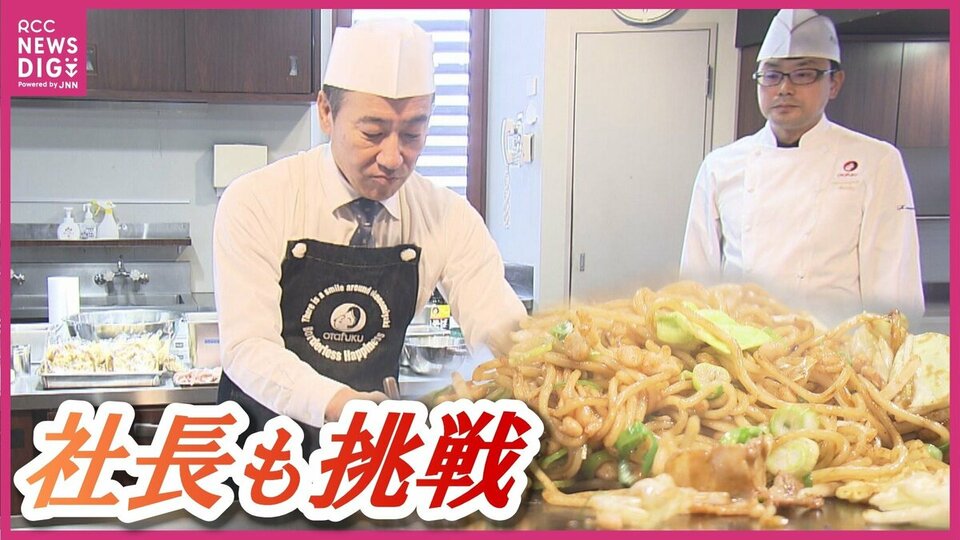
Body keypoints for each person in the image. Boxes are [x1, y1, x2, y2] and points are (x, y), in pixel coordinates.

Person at [212, 19, 527, 448]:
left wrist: (539, 367)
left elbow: (500, 326)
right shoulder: (258, 200)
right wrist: (340, 404)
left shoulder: (447, 217)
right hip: (263, 452)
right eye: (372, 133)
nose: (394, 157)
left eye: (413, 134)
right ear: (327, 112)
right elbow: (248, 346)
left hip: (368, 453)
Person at [680, 9, 924, 322]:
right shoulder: (720, 165)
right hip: (741, 342)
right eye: (772, 75)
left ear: (834, 82)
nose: (784, 88)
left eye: (803, 74)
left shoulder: (876, 161)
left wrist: (890, 345)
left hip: (836, 344)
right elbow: (695, 279)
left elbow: (893, 284)